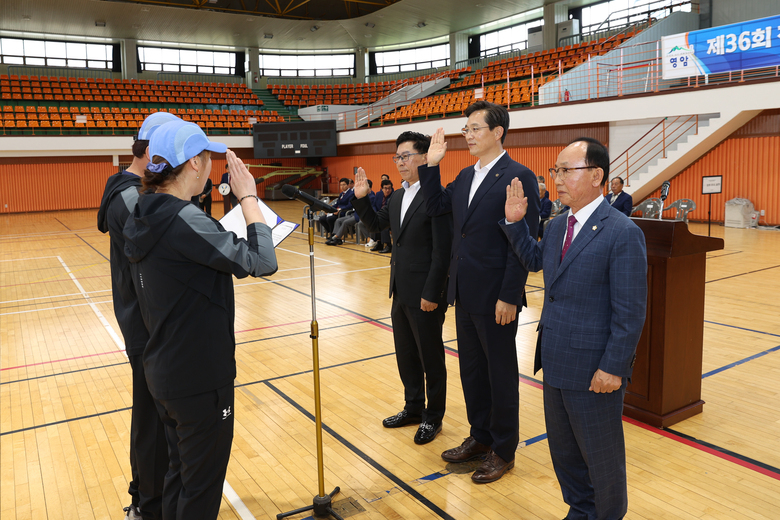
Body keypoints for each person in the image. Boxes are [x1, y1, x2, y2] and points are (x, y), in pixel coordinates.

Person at [123, 120, 278, 520]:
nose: (210, 164)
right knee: (201, 491)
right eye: (206, 156)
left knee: (180, 476)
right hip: (199, 380)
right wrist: (248, 199)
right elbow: (263, 261)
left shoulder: (143, 211)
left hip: (164, 371)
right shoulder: (183, 219)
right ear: (193, 162)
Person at [501, 137, 647, 520]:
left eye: (567, 170)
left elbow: (630, 311)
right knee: (565, 452)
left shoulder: (622, 232)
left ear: (597, 175)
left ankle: (608, 514)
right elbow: (535, 261)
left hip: (594, 368)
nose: (557, 179)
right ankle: (580, 510)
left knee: (601, 455)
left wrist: (614, 366)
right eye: (555, 171)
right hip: (555, 359)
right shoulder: (557, 224)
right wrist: (516, 224)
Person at [418, 101, 540, 484]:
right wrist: (432, 164)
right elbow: (436, 204)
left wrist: (509, 294)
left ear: (497, 132)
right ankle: (480, 436)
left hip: (497, 297)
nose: (467, 135)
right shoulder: (466, 176)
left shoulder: (519, 176)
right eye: (466, 129)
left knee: (500, 374)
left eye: (474, 128)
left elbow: (521, 244)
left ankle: (503, 449)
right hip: (464, 292)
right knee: (472, 372)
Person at [97, 111, 180, 520]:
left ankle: (148, 496)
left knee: (155, 418)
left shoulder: (133, 193)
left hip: (148, 321)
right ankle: (148, 505)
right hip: (147, 325)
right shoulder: (131, 199)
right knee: (152, 421)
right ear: (149, 152)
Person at [351, 131, 453, 445]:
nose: (400, 163)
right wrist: (361, 198)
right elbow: (376, 226)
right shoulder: (397, 195)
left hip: (425, 293)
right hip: (400, 290)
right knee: (406, 355)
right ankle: (413, 408)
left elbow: (442, 249)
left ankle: (433, 417)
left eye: (405, 156)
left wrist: (432, 293)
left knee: (430, 358)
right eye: (397, 157)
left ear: (425, 157)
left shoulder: (437, 196)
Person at [370, 180, 394, 252]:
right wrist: (376, 213)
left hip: (389, 217)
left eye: (389, 188)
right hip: (379, 214)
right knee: (374, 221)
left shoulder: (394, 195)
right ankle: (379, 243)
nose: (387, 190)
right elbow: (374, 205)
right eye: (385, 188)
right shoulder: (378, 194)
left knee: (384, 225)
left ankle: (388, 245)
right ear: (382, 188)